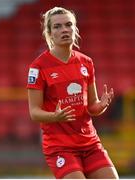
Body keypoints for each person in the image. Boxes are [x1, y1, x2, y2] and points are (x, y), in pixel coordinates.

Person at [27, 7, 119, 179]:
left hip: (90, 143)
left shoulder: (86, 62)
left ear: (75, 29)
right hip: (60, 146)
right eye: (57, 26)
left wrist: (101, 105)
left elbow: (92, 107)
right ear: (49, 33)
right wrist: (54, 117)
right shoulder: (38, 67)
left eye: (68, 25)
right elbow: (34, 112)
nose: (64, 30)